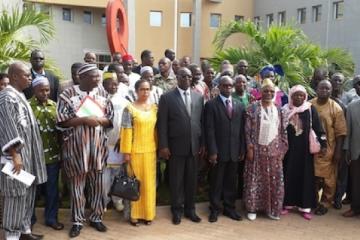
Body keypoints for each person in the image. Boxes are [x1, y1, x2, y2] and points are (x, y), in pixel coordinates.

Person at [57, 64, 114, 238]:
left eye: (98, 76)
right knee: (77, 187)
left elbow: (110, 118)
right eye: (94, 77)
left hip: (97, 149)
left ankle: (96, 217)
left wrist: (98, 120)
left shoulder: (103, 94)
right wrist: (83, 120)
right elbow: (61, 121)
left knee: (97, 185)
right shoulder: (67, 95)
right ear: (82, 78)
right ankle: (77, 221)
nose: (98, 80)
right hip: (76, 150)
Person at [0, 62, 47, 240]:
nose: (30, 78)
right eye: (27, 75)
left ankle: (24, 231)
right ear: (14, 77)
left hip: (26, 158)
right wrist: (15, 154)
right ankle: (12, 235)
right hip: (14, 159)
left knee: (27, 194)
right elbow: (7, 127)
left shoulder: (19, 95)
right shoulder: (6, 97)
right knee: (15, 196)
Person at [157, 67, 205, 225]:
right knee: (176, 181)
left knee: (191, 181)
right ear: (177, 77)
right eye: (183, 76)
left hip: (194, 146)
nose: (186, 79)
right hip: (175, 146)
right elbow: (162, 124)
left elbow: (201, 123)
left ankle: (190, 210)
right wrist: (163, 146)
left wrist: (203, 143)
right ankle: (176, 210)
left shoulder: (198, 97)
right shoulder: (167, 97)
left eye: (189, 76)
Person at [243, 78, 288, 221]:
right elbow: (247, 130)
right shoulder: (252, 108)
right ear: (260, 92)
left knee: (273, 182)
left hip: (274, 153)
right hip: (257, 152)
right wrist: (249, 147)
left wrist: (282, 150)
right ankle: (253, 208)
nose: (269, 93)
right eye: (266, 91)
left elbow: (283, 132)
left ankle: (271, 209)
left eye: (271, 91)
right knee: (255, 180)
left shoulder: (279, 109)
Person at [282, 85, 327, 220]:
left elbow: (319, 128)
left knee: (306, 178)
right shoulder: (284, 110)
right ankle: (287, 204)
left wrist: (323, 144)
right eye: (296, 95)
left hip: (305, 152)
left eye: (301, 95)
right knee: (288, 175)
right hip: (289, 151)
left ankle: (305, 207)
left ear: (305, 96)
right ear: (291, 96)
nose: (299, 97)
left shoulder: (310, 109)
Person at [205, 76, 246, 223]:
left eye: (230, 86)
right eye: (225, 86)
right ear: (219, 87)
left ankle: (229, 208)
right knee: (216, 182)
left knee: (231, 182)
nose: (228, 88)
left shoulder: (239, 105)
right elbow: (209, 130)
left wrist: (242, 149)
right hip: (218, 152)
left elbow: (242, 130)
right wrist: (213, 151)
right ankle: (214, 209)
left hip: (234, 151)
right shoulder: (211, 105)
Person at [120, 79, 158, 226]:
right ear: (136, 91)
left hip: (150, 152)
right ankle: (134, 215)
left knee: (149, 185)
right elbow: (126, 131)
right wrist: (126, 153)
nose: (145, 92)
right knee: (134, 185)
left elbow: (156, 131)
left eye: (148, 89)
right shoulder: (129, 109)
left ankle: (148, 214)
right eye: (142, 89)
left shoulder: (154, 108)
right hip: (134, 153)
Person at [28, 76, 64, 230]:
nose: (45, 93)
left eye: (47, 90)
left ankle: (51, 218)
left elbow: (61, 131)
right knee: (32, 192)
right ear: (34, 90)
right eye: (41, 90)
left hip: (52, 157)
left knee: (52, 190)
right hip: (33, 157)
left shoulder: (54, 106)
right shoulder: (27, 106)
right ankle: (29, 220)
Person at [309, 80, 347, 215]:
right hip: (311, 149)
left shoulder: (336, 108)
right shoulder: (310, 104)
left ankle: (325, 203)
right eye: (322, 88)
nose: (324, 91)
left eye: (327, 89)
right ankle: (312, 201)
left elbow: (341, 133)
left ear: (331, 91)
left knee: (328, 179)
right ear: (316, 89)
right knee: (312, 177)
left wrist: (338, 153)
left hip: (328, 150)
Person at [102, 72, 129, 212]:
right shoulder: (99, 100)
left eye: (116, 83)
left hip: (118, 144)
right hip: (103, 145)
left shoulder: (124, 101)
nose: (114, 86)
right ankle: (103, 201)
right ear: (104, 84)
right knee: (104, 176)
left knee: (118, 174)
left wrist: (123, 138)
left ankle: (117, 199)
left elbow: (127, 123)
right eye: (110, 83)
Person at [330, 73, 349, 210]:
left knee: (341, 173)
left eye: (339, 80)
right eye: (334, 80)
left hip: (342, 142)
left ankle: (337, 198)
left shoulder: (347, 100)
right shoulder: (323, 97)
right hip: (326, 143)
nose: (337, 82)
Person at [342, 77, 360, 217]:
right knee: (355, 181)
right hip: (356, 150)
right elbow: (348, 131)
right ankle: (355, 208)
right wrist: (346, 149)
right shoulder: (352, 107)